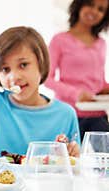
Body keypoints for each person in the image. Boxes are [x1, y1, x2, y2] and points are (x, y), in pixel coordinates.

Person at [0, 26, 80, 163]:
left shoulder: (66, 114)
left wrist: (73, 154)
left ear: (41, 65)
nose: (14, 77)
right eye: (5, 69)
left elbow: (73, 164)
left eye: (23, 65)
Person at [45, 0, 109, 141]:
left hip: (97, 114)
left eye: (101, 9)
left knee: (104, 159)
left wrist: (106, 89)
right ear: (80, 5)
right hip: (68, 113)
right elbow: (46, 78)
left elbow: (99, 82)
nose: (94, 11)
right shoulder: (60, 40)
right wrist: (76, 94)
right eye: (90, 5)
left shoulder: (101, 43)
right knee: (68, 159)